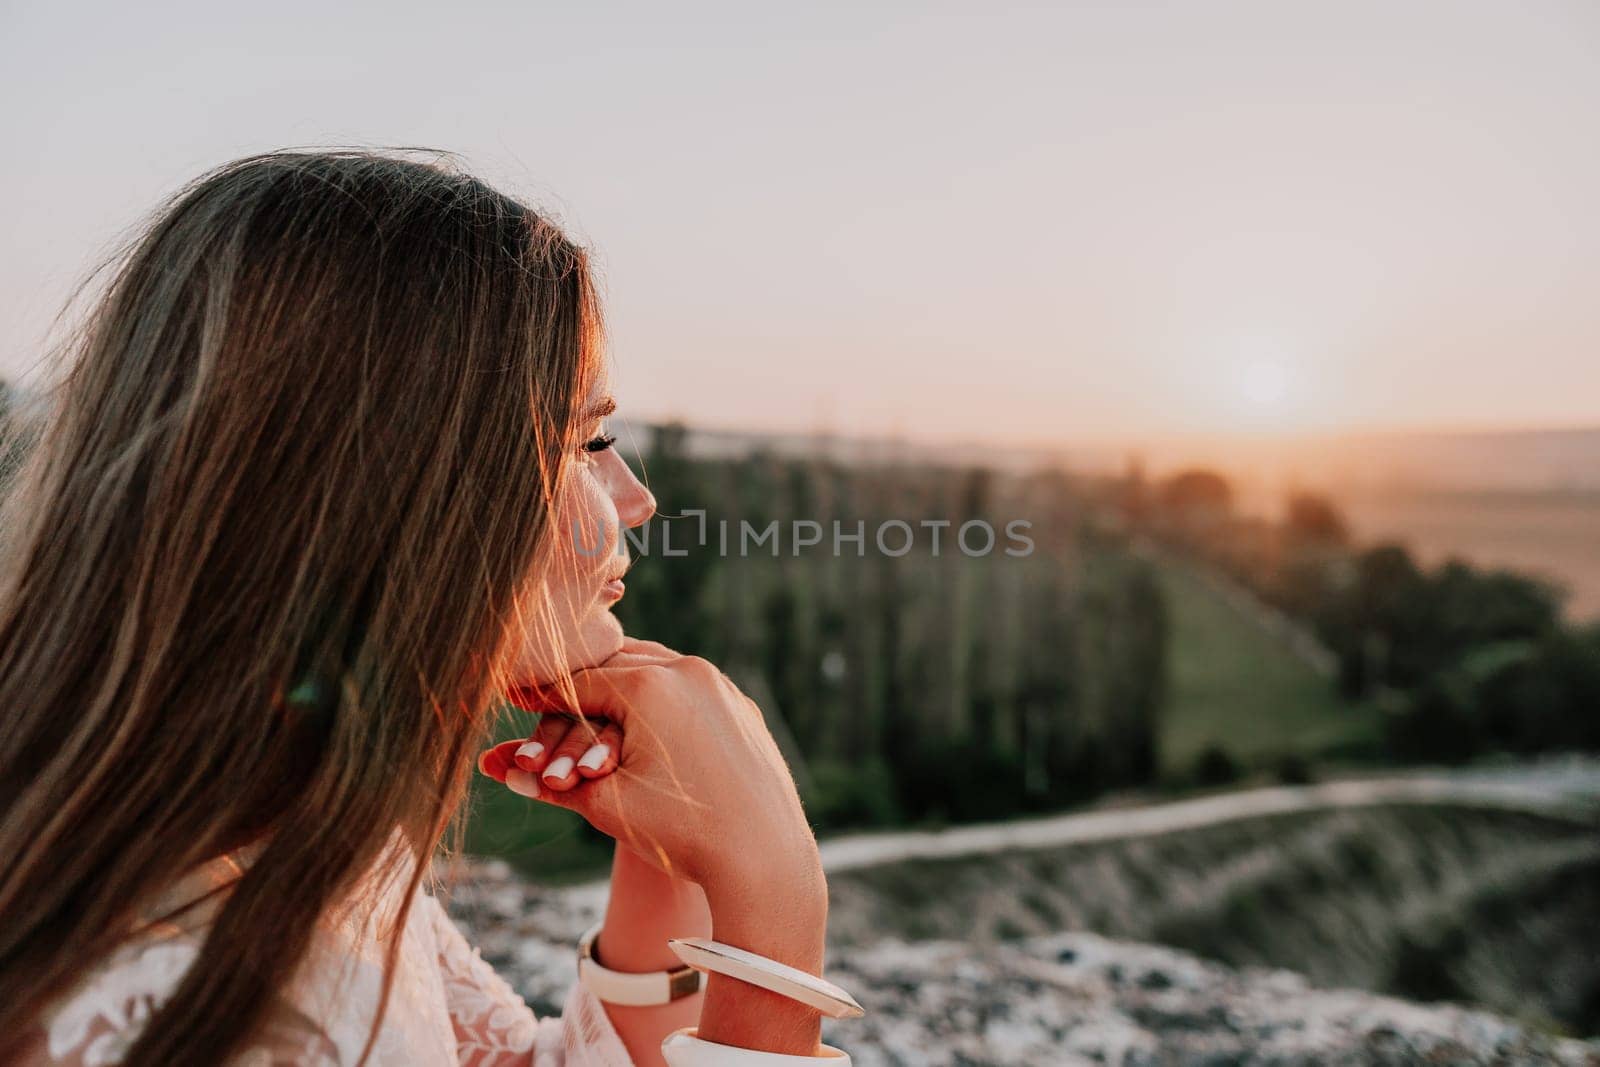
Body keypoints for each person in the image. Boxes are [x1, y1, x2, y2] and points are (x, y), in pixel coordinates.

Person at [0, 151, 852, 1066]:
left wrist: (671, 855)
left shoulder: (288, 843)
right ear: (394, 488)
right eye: (586, 437)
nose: (636, 496)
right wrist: (775, 895)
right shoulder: (173, 1005)